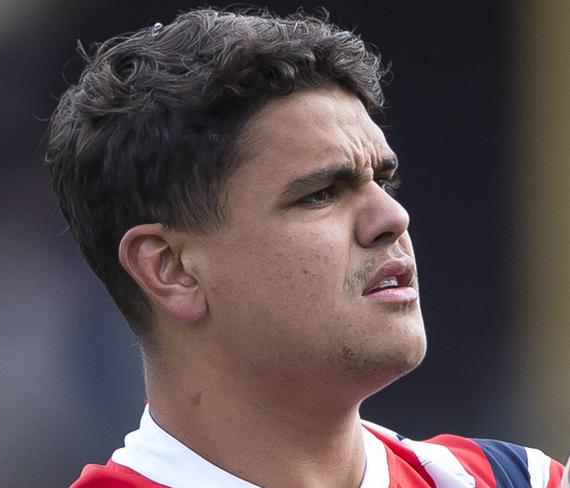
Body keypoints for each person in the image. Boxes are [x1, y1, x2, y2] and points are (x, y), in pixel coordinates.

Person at [45, 8, 569, 488]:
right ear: (172, 268)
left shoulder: (510, 479)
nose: (393, 218)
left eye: (383, 182)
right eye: (320, 194)